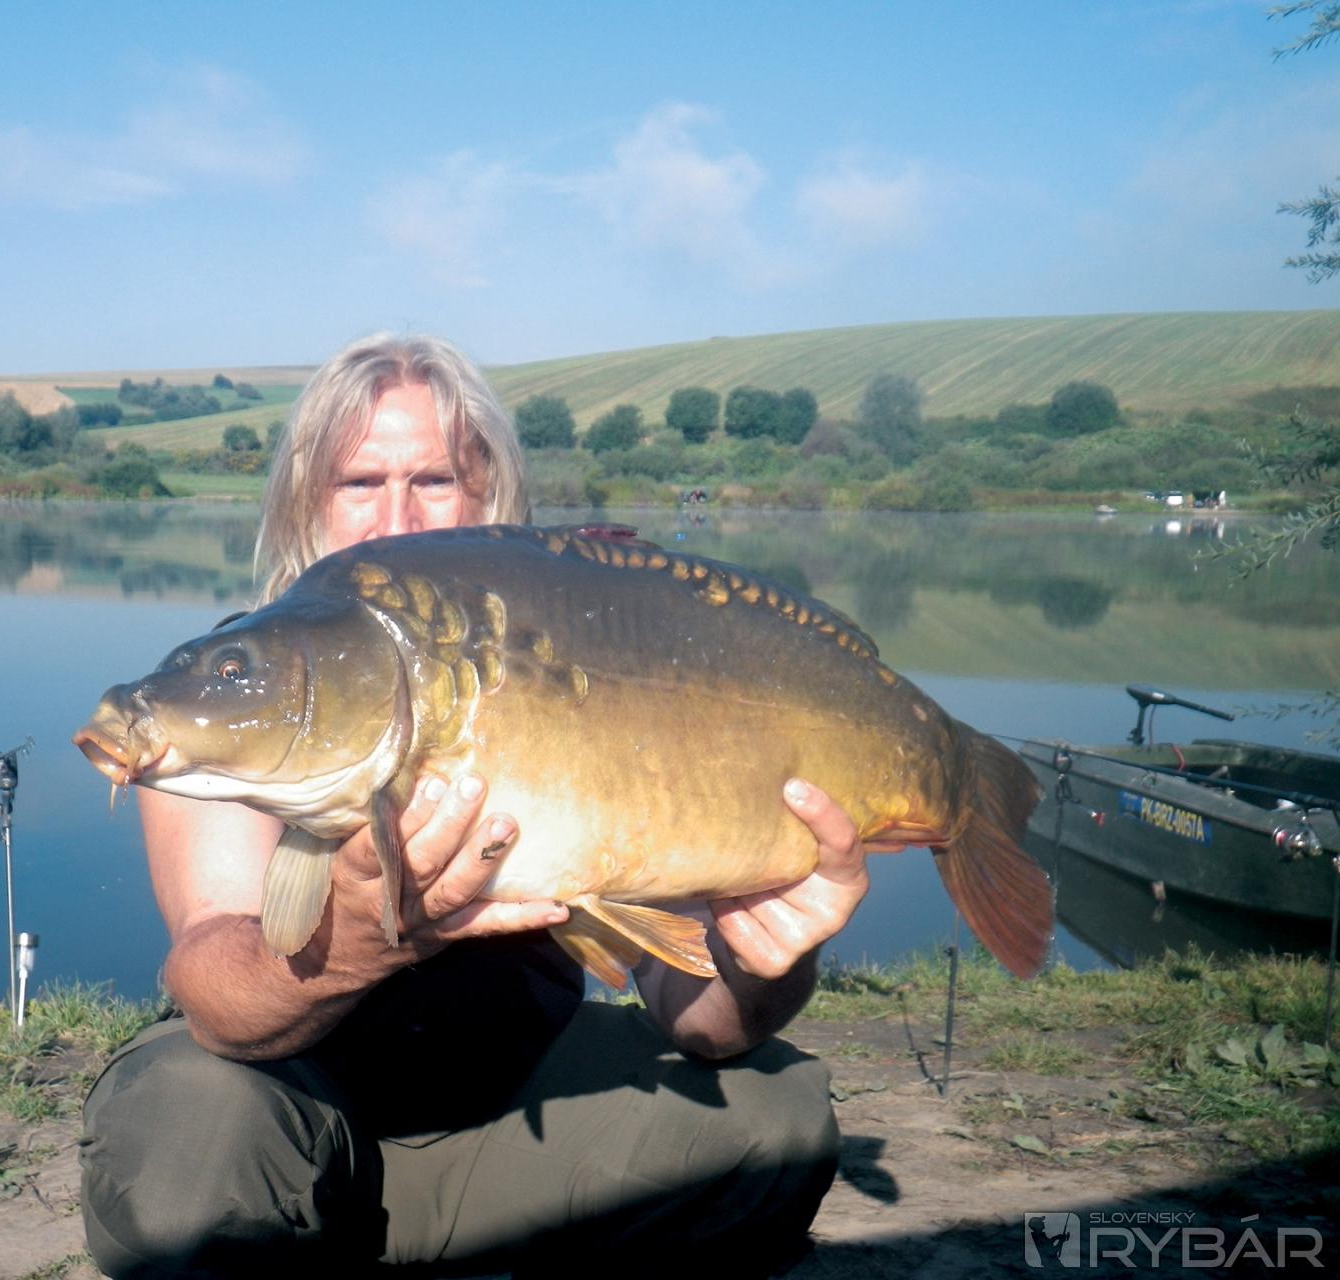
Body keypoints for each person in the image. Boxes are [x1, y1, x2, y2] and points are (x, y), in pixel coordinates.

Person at [79, 333, 871, 1277]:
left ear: (490, 495)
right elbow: (217, 998)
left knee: (775, 1122)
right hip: (299, 1132)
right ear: (306, 501)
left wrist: (765, 956)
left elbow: (699, 1021)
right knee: (185, 1136)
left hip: (517, 1128)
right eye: (360, 482)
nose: (396, 517)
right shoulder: (246, 696)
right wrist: (358, 944)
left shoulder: (568, 670)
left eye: (434, 480)